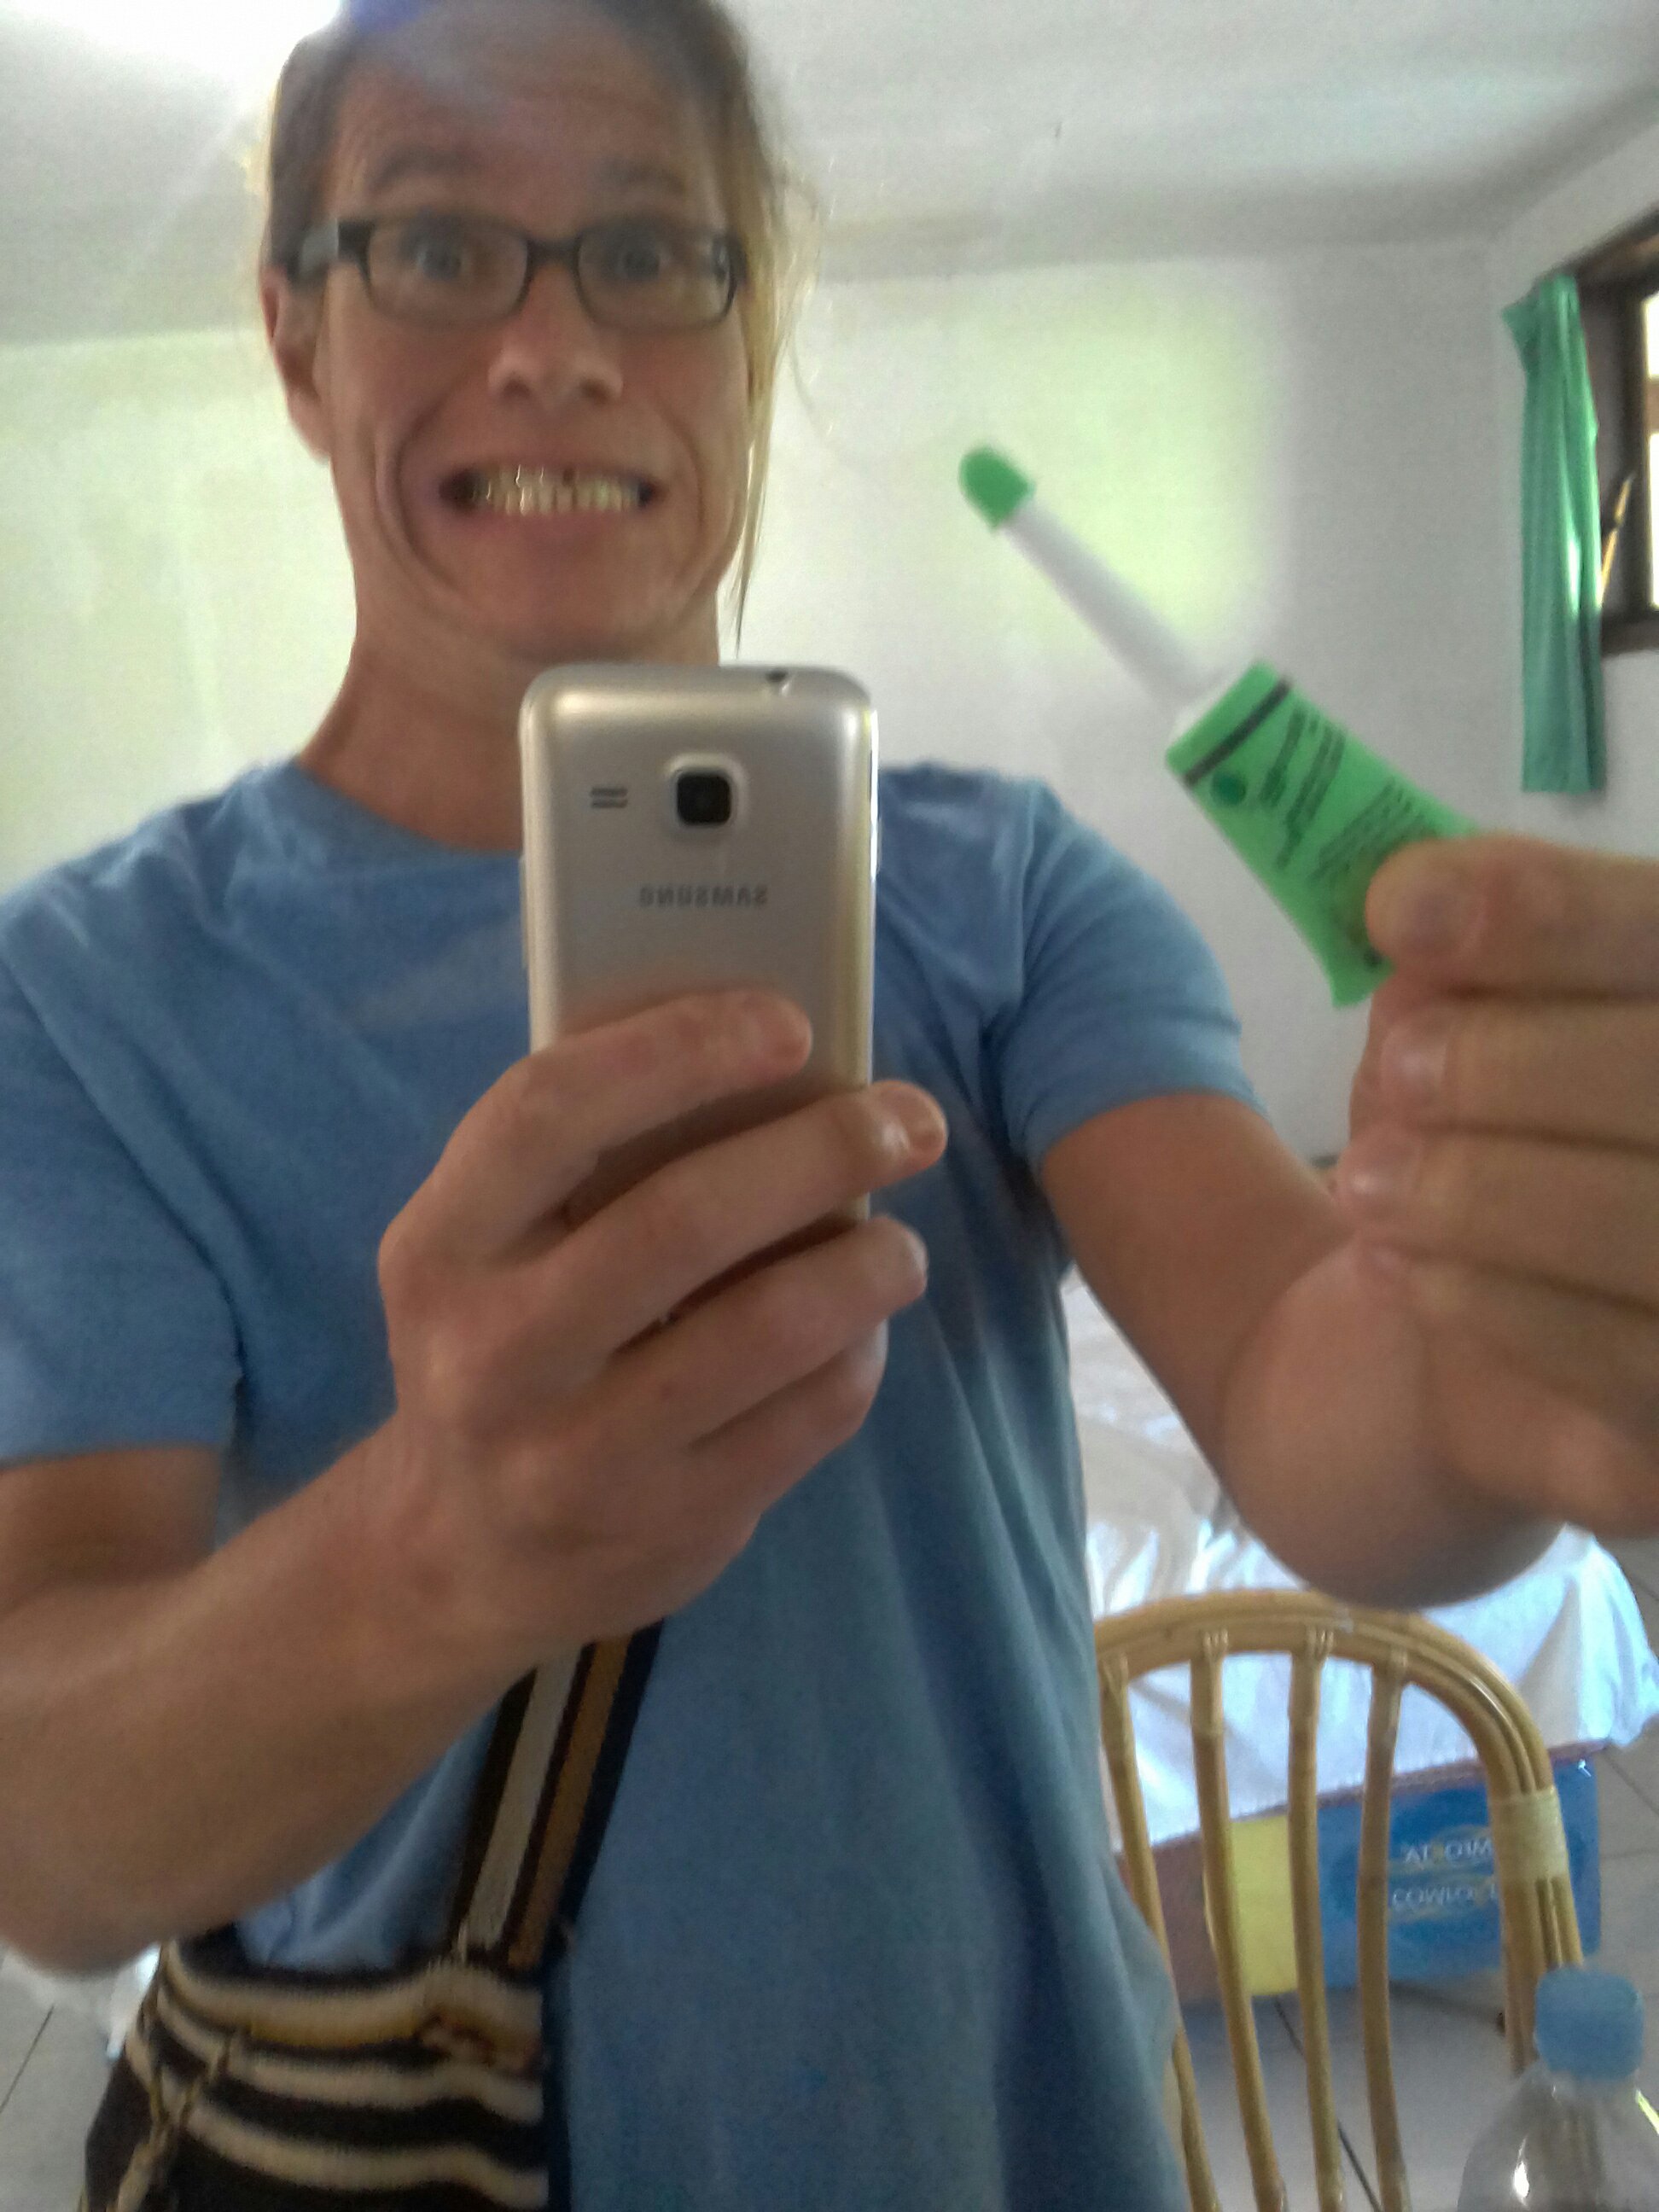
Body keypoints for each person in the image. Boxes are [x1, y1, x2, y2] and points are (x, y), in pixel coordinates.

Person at [2, 0, 1657, 2203]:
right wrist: (434, 1548)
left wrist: (1504, 1343)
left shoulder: (1000, 892)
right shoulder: (82, 995)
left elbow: (1305, 1389)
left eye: (645, 253)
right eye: (438, 248)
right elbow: (49, 1842)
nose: (552, 347)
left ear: (746, 335)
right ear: (296, 335)